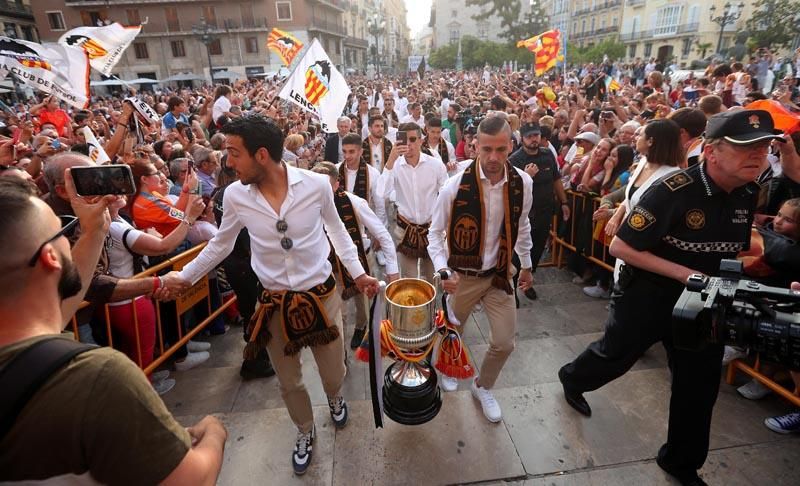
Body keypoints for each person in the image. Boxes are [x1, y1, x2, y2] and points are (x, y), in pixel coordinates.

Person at [558, 110, 784, 486]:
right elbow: (621, 247)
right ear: (711, 151)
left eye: (763, 147)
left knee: (699, 387)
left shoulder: (747, 192)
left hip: (702, 305)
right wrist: (688, 275)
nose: (758, 155)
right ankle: (572, 378)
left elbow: (734, 250)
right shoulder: (672, 190)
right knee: (615, 355)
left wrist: (755, 276)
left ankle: (681, 462)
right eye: (746, 147)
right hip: (649, 296)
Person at [160, 114, 379, 475]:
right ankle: (305, 430)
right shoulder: (234, 195)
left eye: (233, 153)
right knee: (289, 381)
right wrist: (184, 276)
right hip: (274, 303)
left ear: (261, 155)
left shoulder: (316, 185)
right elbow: (221, 243)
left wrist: (359, 274)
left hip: (322, 297)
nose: (227, 162)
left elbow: (338, 232)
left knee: (333, 371)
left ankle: (336, 398)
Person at [0, 176, 227, 484]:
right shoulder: (96, 377)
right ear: (50, 257)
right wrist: (214, 431)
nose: (72, 235)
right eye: (64, 228)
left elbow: (68, 297)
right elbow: (192, 479)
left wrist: (95, 230)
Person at [428, 116, 534, 422]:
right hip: (463, 276)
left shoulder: (521, 183)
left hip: (500, 273)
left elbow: (522, 224)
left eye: (501, 150)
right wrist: (443, 271)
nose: (493, 158)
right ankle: (448, 367)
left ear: (510, 147)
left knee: (504, 342)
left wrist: (525, 265)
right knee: (452, 331)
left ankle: (482, 385)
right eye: (486, 149)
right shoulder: (455, 185)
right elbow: (434, 234)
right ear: (475, 147)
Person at [312, 161, 399, 349]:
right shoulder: (308, 206)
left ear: (336, 185)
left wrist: (392, 270)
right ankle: (339, 348)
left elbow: (383, 235)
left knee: (363, 304)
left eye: (325, 186)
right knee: (336, 312)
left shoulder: (355, 202)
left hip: (359, 260)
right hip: (329, 267)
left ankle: (362, 328)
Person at [508, 122, 570, 301]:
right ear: (523, 139)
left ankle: (527, 282)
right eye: (529, 136)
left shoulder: (547, 154)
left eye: (536, 135)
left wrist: (564, 201)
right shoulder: (515, 159)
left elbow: (556, 179)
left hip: (544, 213)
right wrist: (527, 177)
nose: (534, 139)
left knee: (536, 251)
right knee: (518, 252)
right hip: (524, 215)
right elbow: (511, 189)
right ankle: (511, 288)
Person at [381, 122, 448, 282]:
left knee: (434, 280)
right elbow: (381, 193)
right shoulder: (394, 165)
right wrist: (390, 160)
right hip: (405, 230)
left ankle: (433, 308)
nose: (409, 145)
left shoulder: (435, 165)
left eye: (412, 139)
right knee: (409, 282)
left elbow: (446, 196)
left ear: (421, 140)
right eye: (405, 140)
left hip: (432, 230)